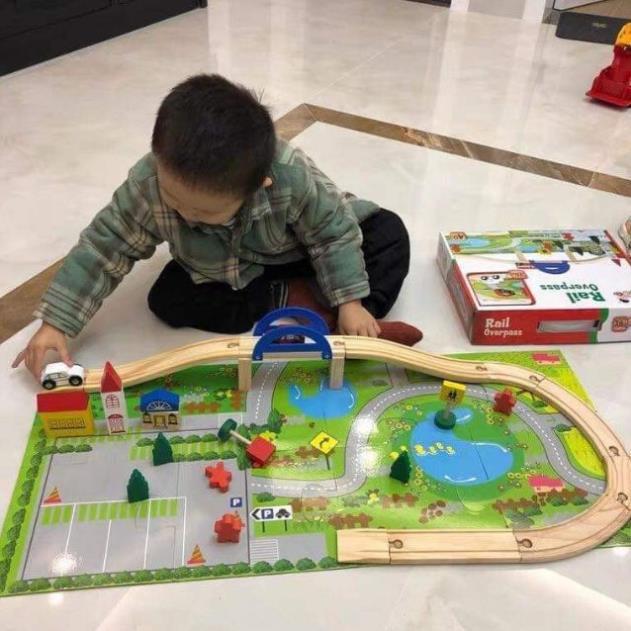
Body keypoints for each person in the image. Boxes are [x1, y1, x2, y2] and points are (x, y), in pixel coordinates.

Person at [12, 74, 421, 381]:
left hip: (301, 250)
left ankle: (354, 318)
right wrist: (56, 323)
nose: (184, 215)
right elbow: (104, 248)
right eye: (173, 200)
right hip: (229, 272)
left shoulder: (290, 175)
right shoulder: (148, 183)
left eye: (203, 212)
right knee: (167, 300)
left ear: (257, 188)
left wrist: (351, 301)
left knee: (389, 234)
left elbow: (333, 234)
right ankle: (290, 297)